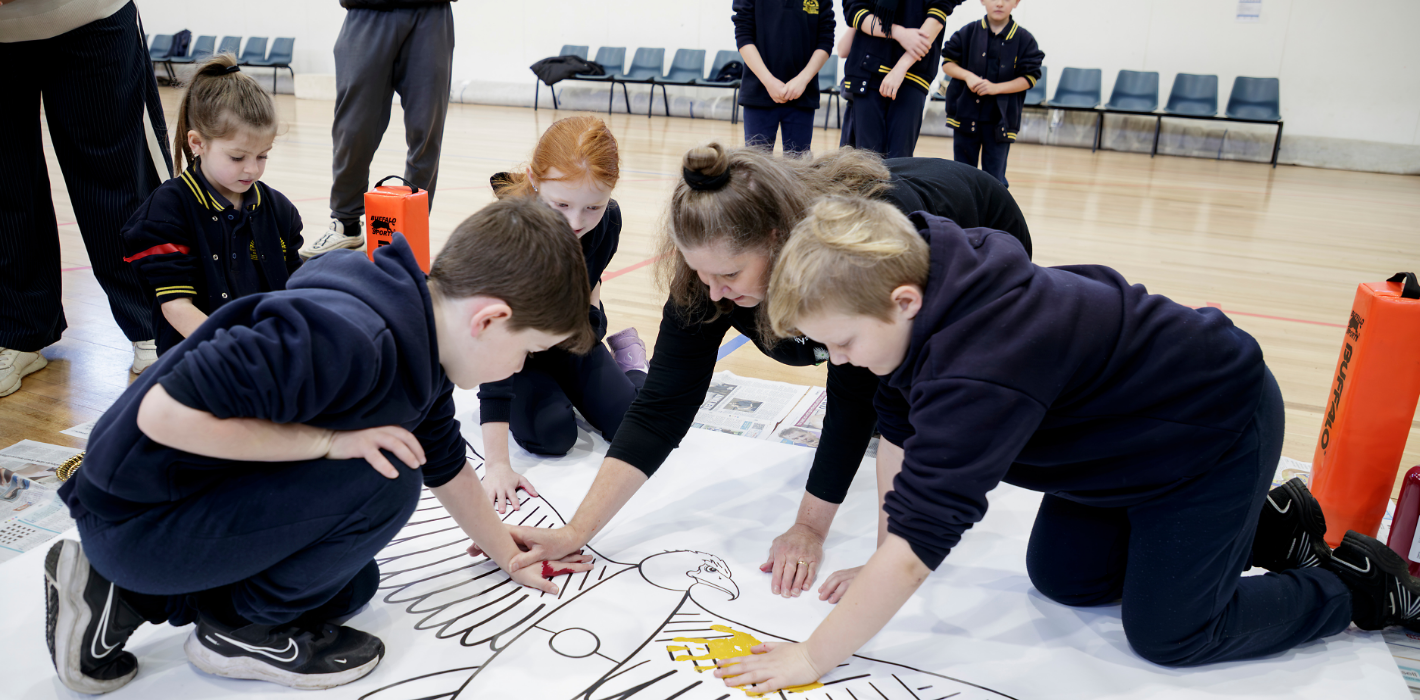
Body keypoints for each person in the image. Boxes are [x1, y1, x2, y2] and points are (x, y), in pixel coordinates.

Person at [714, 194, 1404, 693]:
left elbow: (920, 547)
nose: (839, 360)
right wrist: (873, 553)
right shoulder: (916, 284)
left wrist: (814, 656)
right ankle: (1265, 526)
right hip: (1120, 448)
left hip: (1210, 432)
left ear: (903, 301)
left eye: (843, 342)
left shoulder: (981, 362)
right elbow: (897, 431)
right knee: (1066, 580)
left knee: (1173, 633)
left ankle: (1355, 589)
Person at [43, 197, 596, 694]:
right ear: (490, 319)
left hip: (170, 514)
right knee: (387, 474)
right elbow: (161, 412)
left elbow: (445, 459)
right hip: (136, 522)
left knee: (349, 586)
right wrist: (329, 443)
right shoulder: (349, 337)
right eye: (530, 350)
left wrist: (505, 551)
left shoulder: (417, 330)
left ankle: (123, 598)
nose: (521, 368)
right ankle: (237, 631)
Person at [504, 143, 1032, 600]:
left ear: (776, 242)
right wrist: (577, 530)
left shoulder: (841, 259)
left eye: (730, 274)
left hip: (971, 223)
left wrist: (809, 528)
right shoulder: (710, 269)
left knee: (910, 397)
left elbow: (848, 399)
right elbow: (662, 405)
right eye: (699, 272)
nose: (714, 291)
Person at [0, 0, 172, 397]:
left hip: (88, 12)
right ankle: (21, 330)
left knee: (120, 179)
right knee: (6, 188)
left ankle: (153, 323)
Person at [478, 116, 649, 513]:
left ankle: (632, 361)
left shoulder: (607, 221)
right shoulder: (509, 238)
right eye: (562, 205)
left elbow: (593, 276)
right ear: (534, 179)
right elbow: (495, 349)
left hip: (570, 333)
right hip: (517, 354)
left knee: (633, 426)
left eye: (593, 206)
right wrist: (497, 464)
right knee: (552, 435)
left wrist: (589, 317)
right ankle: (555, 387)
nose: (576, 222)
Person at [121, 56, 304, 356]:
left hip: (271, 359)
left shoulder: (279, 210)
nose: (252, 170)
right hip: (197, 364)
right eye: (237, 157)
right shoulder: (166, 213)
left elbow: (295, 288)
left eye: (262, 156)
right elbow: (177, 307)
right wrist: (234, 352)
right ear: (197, 143)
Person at [300, 0, 455, 259]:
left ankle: (410, 233)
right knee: (353, 129)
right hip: (366, 12)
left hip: (431, 12)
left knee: (426, 130)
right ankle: (346, 223)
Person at [838, 0, 961, 157]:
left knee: (900, 160)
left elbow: (937, 17)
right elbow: (854, 12)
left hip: (913, 75)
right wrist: (898, 33)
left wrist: (900, 68)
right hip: (867, 71)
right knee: (868, 160)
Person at [942, 0, 1044, 187]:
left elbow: (1030, 78)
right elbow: (947, 63)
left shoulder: (1024, 39)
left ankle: (992, 216)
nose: (999, 3)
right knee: (961, 176)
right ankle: (962, 214)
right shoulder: (968, 32)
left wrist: (997, 88)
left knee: (995, 180)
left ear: (1016, 3)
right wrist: (968, 76)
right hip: (966, 115)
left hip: (1000, 121)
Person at [732, 0, 835, 155]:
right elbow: (743, 35)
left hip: (802, 95)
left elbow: (826, 39)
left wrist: (803, 79)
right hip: (759, 93)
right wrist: (768, 81)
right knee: (757, 170)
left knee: (799, 170)